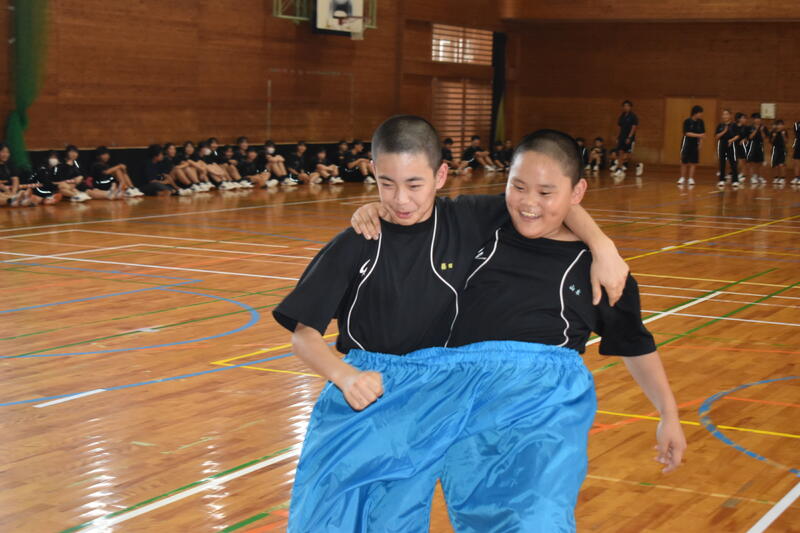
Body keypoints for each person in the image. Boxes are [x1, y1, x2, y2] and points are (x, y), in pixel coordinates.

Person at [272, 115, 629, 532]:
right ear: (373, 174)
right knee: (327, 519)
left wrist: (602, 245)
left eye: (414, 184)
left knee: (397, 521)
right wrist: (345, 376)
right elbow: (304, 336)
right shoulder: (358, 242)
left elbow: (551, 202)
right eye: (387, 184)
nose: (401, 199)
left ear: (440, 176)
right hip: (363, 392)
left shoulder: (467, 219)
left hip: (432, 397)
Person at [438, 130, 685, 531]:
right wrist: (373, 210)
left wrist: (668, 415)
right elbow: (414, 212)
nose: (528, 203)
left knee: (539, 518)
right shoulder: (482, 228)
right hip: (469, 417)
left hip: (546, 416)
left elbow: (633, 343)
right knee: (476, 522)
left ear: (577, 192)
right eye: (518, 186)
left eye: (545, 193)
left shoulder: (601, 272)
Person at [610, 100, 644, 177]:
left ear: (630, 107)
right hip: (621, 137)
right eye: (624, 106)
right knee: (620, 153)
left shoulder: (633, 116)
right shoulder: (622, 116)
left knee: (627, 155)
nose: (626, 107)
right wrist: (618, 137)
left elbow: (634, 127)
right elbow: (620, 127)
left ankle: (638, 165)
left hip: (628, 138)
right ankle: (619, 169)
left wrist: (629, 137)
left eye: (627, 106)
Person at [678, 105, 705, 186]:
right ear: (695, 113)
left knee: (693, 162)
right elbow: (687, 133)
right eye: (700, 113)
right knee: (684, 161)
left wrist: (701, 143)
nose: (701, 114)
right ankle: (682, 178)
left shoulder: (701, 122)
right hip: (686, 143)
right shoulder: (687, 121)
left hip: (695, 144)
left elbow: (703, 134)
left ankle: (690, 178)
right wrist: (698, 135)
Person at [715, 109, 740, 189]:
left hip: (731, 145)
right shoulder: (720, 125)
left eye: (727, 114)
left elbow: (737, 136)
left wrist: (731, 140)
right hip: (722, 144)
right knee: (722, 162)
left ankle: (735, 180)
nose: (725, 116)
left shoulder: (734, 125)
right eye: (724, 114)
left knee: (733, 163)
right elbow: (716, 136)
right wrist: (724, 131)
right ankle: (721, 180)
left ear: (730, 115)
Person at [746, 113, 768, 185]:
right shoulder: (750, 127)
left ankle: (759, 176)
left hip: (760, 145)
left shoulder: (763, 127)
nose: (757, 120)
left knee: (760, 162)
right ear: (753, 120)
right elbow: (750, 137)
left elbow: (764, 138)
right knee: (751, 162)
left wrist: (761, 130)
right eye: (756, 118)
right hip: (751, 145)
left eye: (759, 118)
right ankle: (752, 177)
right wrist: (756, 130)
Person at [770, 119, 787, 185]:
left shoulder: (784, 132)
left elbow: (786, 141)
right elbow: (771, 142)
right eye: (779, 125)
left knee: (781, 164)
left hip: (782, 149)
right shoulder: (773, 132)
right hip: (775, 149)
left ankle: (783, 178)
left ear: (783, 126)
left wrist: (783, 135)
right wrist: (774, 136)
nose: (780, 126)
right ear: (776, 125)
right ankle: (776, 178)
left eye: (781, 125)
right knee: (775, 165)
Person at [791, 119, 800, 186]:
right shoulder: (796, 124)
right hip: (798, 146)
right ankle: (797, 178)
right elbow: (796, 134)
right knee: (796, 162)